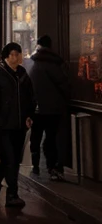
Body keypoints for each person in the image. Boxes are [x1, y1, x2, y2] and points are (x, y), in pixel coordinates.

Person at [0, 43, 37, 208]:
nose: (15, 58)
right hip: (2, 126)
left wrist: (29, 115)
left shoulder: (23, 75)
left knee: (10, 160)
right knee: (10, 159)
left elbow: (30, 98)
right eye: (11, 55)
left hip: (20, 126)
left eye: (17, 54)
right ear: (5, 57)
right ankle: (12, 195)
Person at [26, 35, 70, 180]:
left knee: (36, 136)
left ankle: (35, 165)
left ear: (38, 45)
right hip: (54, 109)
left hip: (37, 109)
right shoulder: (56, 63)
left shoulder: (33, 64)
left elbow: (28, 88)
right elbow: (63, 84)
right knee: (51, 138)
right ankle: (52, 167)